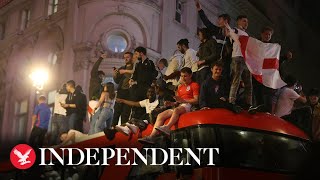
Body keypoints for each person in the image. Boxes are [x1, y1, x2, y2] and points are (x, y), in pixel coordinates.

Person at [138, 67, 199, 144]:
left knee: (176, 110)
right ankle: (152, 137)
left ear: (190, 75)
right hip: (180, 105)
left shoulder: (194, 85)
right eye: (182, 76)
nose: (183, 78)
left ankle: (167, 128)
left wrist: (183, 100)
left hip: (188, 105)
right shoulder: (180, 87)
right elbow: (177, 102)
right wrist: (171, 103)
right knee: (160, 115)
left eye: (185, 76)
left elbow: (196, 100)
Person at [195, 0, 232, 80]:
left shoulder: (232, 34)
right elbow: (207, 23)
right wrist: (200, 10)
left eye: (220, 20)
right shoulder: (217, 31)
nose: (218, 22)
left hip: (225, 64)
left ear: (226, 21)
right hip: (215, 62)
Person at [225, 15, 252, 109]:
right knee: (236, 80)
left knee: (248, 83)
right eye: (244, 21)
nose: (246, 23)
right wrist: (227, 28)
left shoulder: (246, 34)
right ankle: (231, 101)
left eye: (247, 22)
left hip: (245, 60)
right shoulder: (235, 30)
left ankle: (248, 104)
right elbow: (228, 33)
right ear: (238, 21)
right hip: (237, 58)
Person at [129, 46, 158, 119]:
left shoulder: (150, 63)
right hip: (138, 89)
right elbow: (135, 74)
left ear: (141, 53)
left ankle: (142, 120)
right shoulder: (138, 64)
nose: (135, 56)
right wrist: (132, 79)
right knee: (136, 105)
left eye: (136, 54)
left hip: (146, 88)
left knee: (142, 107)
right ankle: (134, 119)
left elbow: (153, 74)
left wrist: (151, 82)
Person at [112, 52, 134, 126]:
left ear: (132, 57)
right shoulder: (122, 68)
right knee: (116, 113)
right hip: (121, 92)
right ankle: (112, 130)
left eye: (128, 57)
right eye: (124, 57)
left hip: (129, 93)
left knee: (125, 114)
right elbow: (117, 81)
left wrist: (125, 71)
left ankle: (123, 132)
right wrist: (115, 75)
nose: (126, 59)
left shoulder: (134, 67)